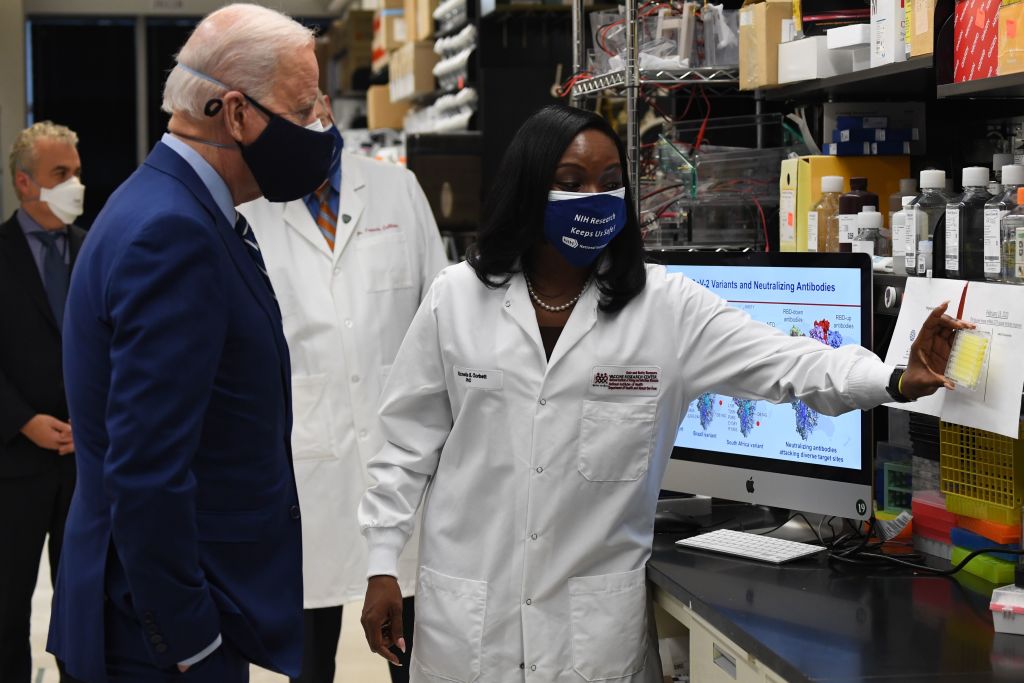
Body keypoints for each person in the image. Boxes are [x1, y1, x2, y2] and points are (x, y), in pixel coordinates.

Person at [357, 104, 968, 682]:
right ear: (528, 188)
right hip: (470, 620)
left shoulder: (665, 309)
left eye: (608, 181)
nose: (593, 200)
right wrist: (382, 562)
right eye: (571, 181)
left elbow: (787, 363)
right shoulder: (456, 297)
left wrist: (892, 380)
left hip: (588, 635)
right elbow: (403, 445)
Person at [46, 5, 337, 682]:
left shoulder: (170, 205)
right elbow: (146, 470)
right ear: (234, 113)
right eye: (302, 106)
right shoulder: (172, 233)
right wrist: (192, 643)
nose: (319, 125)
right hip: (155, 638)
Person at [239, 92, 447, 683]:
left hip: (403, 456)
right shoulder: (252, 210)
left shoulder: (395, 190)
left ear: (328, 107)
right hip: (308, 462)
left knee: (417, 649)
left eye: (309, 109)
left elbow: (442, 317)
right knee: (308, 652)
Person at [1, 121, 85, 683]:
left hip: (86, 461)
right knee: (8, 608)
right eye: (62, 174)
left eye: (78, 173)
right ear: (26, 184)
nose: (76, 185)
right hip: (14, 463)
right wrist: (23, 420)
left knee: (84, 605)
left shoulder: (97, 248)